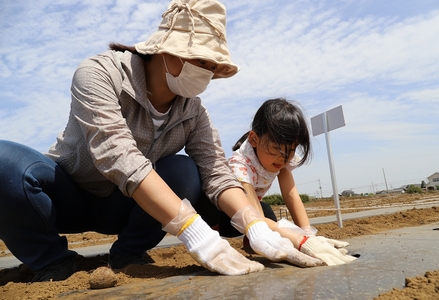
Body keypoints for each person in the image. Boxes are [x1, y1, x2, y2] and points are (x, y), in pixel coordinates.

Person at [0, 0, 338, 283]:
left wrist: (255, 225)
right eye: (199, 61)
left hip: (129, 207)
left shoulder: (194, 113)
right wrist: (193, 230)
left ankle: (129, 254)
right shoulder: (99, 74)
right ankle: (51, 261)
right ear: (166, 50)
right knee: (7, 164)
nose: (205, 73)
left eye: (211, 66)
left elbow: (217, 173)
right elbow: (116, 153)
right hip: (70, 194)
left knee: (185, 171)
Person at [227, 98, 357, 265]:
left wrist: (307, 234)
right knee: (265, 220)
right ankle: (246, 239)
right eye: (276, 148)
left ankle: (251, 243)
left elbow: (291, 195)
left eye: (291, 149)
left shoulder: (282, 158)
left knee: (270, 217)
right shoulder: (239, 164)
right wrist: (301, 242)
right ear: (254, 139)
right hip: (222, 216)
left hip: (255, 209)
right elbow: (255, 217)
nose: (283, 157)